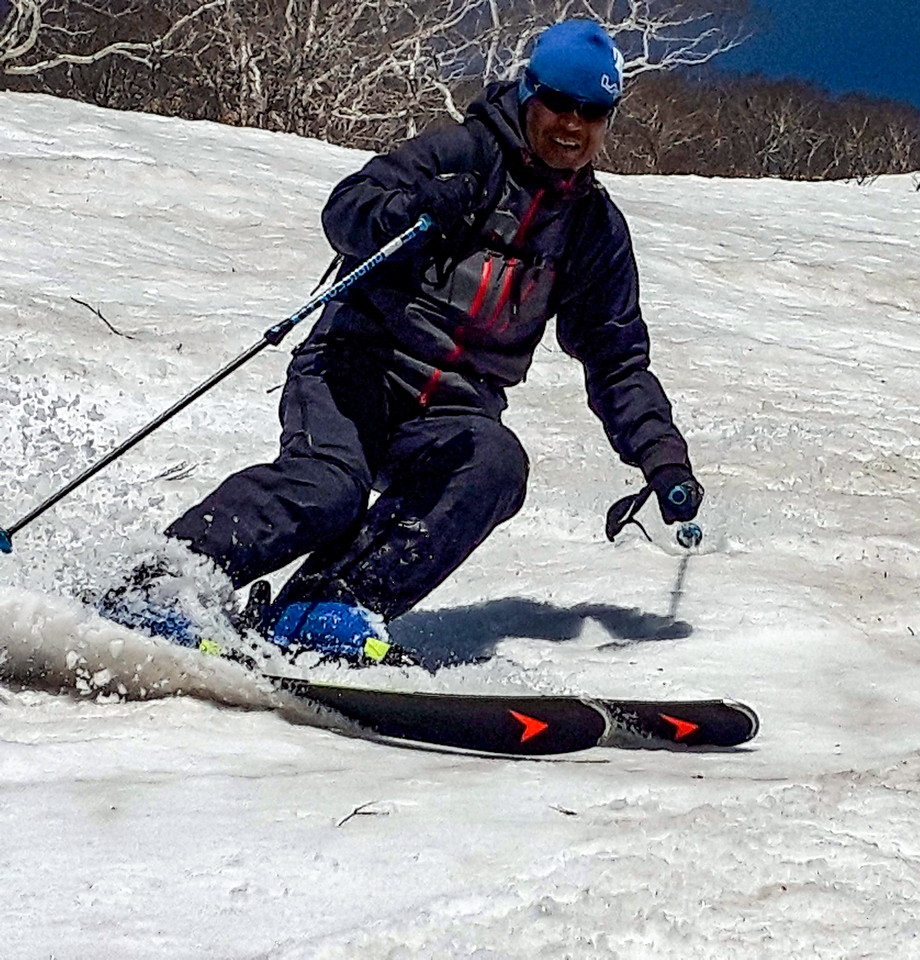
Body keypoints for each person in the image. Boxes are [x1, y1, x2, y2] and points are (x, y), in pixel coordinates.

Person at [102, 19, 702, 664]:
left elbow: (615, 358)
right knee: (327, 487)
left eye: (593, 112)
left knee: (494, 464)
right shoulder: (461, 153)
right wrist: (412, 211)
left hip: (454, 406)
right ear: (529, 93)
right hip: (357, 367)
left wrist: (662, 458)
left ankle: (327, 606)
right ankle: (160, 584)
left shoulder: (592, 231)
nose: (572, 124)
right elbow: (348, 209)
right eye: (560, 103)